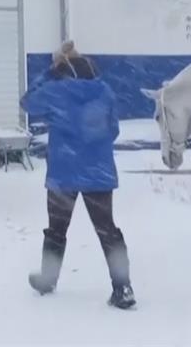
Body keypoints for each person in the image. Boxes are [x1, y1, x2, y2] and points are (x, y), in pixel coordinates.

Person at [20, 41, 135, 309]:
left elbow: (27, 102)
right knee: (108, 230)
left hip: (64, 173)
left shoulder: (56, 91)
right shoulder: (105, 92)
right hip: (99, 173)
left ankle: (48, 279)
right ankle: (123, 288)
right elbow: (113, 129)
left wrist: (51, 70)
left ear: (64, 71)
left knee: (57, 229)